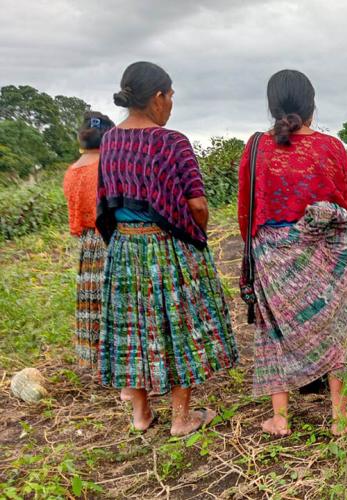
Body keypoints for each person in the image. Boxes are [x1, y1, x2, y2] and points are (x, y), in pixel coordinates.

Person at [96, 61, 239, 435]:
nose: (172, 103)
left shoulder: (110, 140)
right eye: (171, 95)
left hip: (125, 248)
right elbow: (197, 205)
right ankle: (181, 418)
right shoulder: (171, 141)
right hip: (166, 246)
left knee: (135, 327)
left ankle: (141, 415)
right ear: (158, 96)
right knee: (178, 326)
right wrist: (198, 238)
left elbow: (106, 200)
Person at [237, 69, 347, 437]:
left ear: (272, 105)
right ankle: (339, 418)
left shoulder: (257, 146)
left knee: (273, 328)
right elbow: (346, 195)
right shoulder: (331, 146)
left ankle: (280, 418)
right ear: (311, 104)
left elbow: (247, 205)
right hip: (329, 253)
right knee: (338, 327)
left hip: (273, 253)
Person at [62, 111, 114, 368]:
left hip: (88, 245)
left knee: (94, 301)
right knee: (117, 303)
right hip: (111, 239)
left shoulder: (72, 171)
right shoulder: (108, 166)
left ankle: (98, 360)